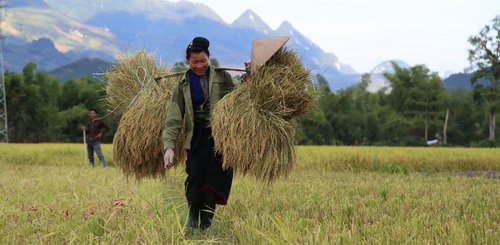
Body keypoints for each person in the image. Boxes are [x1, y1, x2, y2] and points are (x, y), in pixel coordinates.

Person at [162, 37, 235, 230]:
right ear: (188, 62)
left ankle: (207, 223)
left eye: (203, 61)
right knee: (194, 177)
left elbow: (239, 100)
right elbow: (174, 118)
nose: (199, 65)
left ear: (208, 58)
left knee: (214, 180)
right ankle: (193, 217)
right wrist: (168, 147)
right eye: (195, 62)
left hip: (219, 139)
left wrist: (251, 75)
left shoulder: (222, 78)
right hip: (196, 138)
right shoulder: (182, 85)